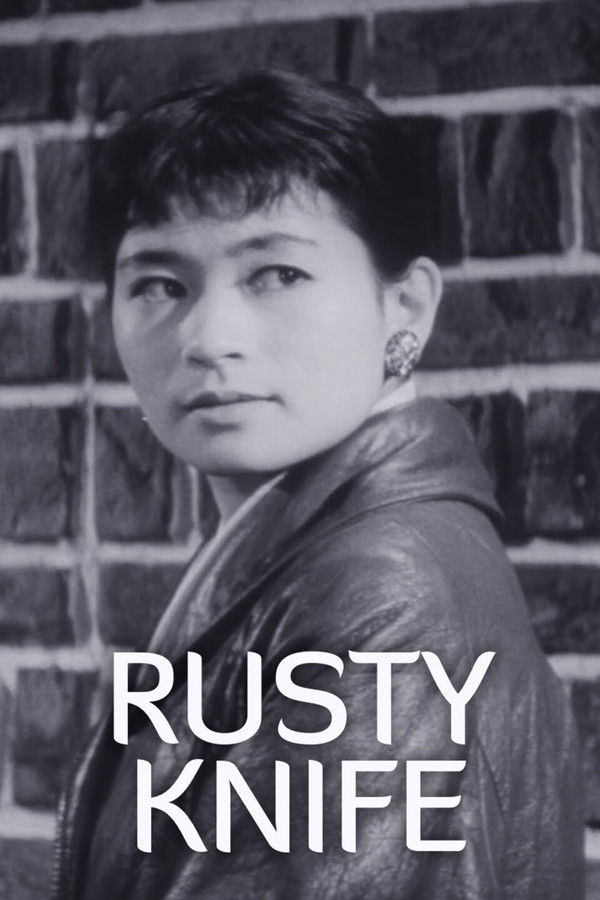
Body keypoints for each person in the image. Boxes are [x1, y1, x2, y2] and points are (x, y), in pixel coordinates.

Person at [53, 70, 582, 899]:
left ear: (406, 306)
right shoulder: (326, 547)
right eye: (160, 285)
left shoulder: (383, 592)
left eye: (278, 275)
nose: (209, 338)